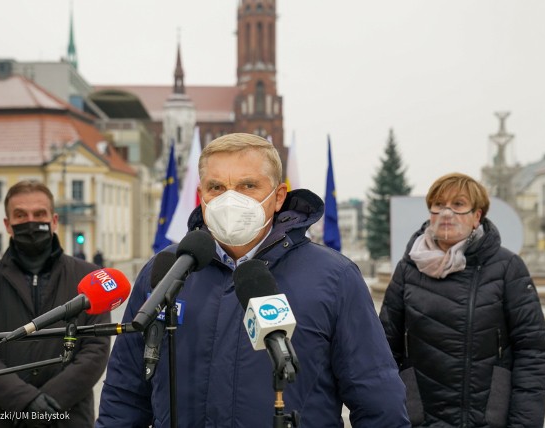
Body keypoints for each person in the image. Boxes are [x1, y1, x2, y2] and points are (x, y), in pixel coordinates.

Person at [96, 133, 409, 427]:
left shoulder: (334, 278)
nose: (230, 200)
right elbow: (124, 394)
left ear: (277, 197)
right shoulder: (165, 271)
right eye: (216, 188)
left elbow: (377, 400)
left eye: (248, 186)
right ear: (201, 195)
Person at [379, 172, 545, 427]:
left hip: (487, 418)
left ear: (476, 217)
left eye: (458, 205)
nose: (446, 213)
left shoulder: (507, 267)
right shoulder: (408, 269)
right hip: (419, 418)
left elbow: (532, 352)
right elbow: (384, 352)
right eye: (438, 205)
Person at [0, 180, 111, 427]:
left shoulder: (90, 277)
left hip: (66, 415)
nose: (30, 221)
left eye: (39, 213)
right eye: (21, 215)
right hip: (0, 417)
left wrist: (49, 401)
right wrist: (25, 401)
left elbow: (96, 350)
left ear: (54, 220)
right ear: (8, 225)